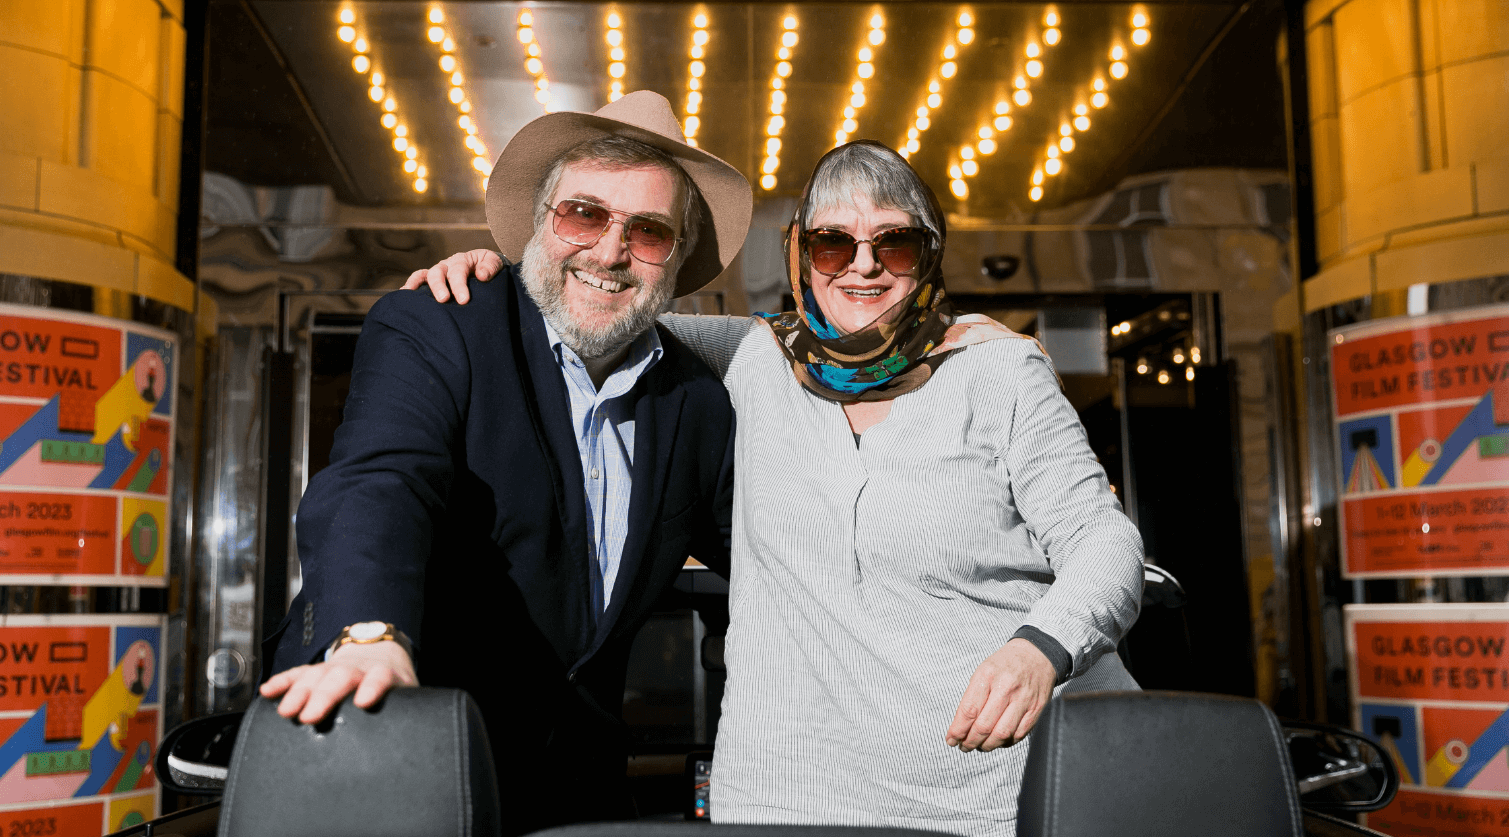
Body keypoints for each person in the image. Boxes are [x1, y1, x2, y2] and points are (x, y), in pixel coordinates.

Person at [410, 140, 1144, 837]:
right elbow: (602, 298)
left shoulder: (996, 369)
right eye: (833, 244)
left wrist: (1041, 649)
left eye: (895, 243)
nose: (864, 268)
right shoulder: (760, 358)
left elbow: (1105, 541)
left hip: (985, 800)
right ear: (800, 253)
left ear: (930, 256)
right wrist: (502, 281)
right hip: (781, 800)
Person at [260, 91, 752, 835]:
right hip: (398, 763)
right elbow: (380, 480)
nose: (610, 252)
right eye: (583, 215)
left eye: (648, 232)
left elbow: (776, 554)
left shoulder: (698, 403)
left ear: (677, 260)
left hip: (576, 797)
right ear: (540, 223)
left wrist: (927, 345)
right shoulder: (443, 322)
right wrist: (369, 635)